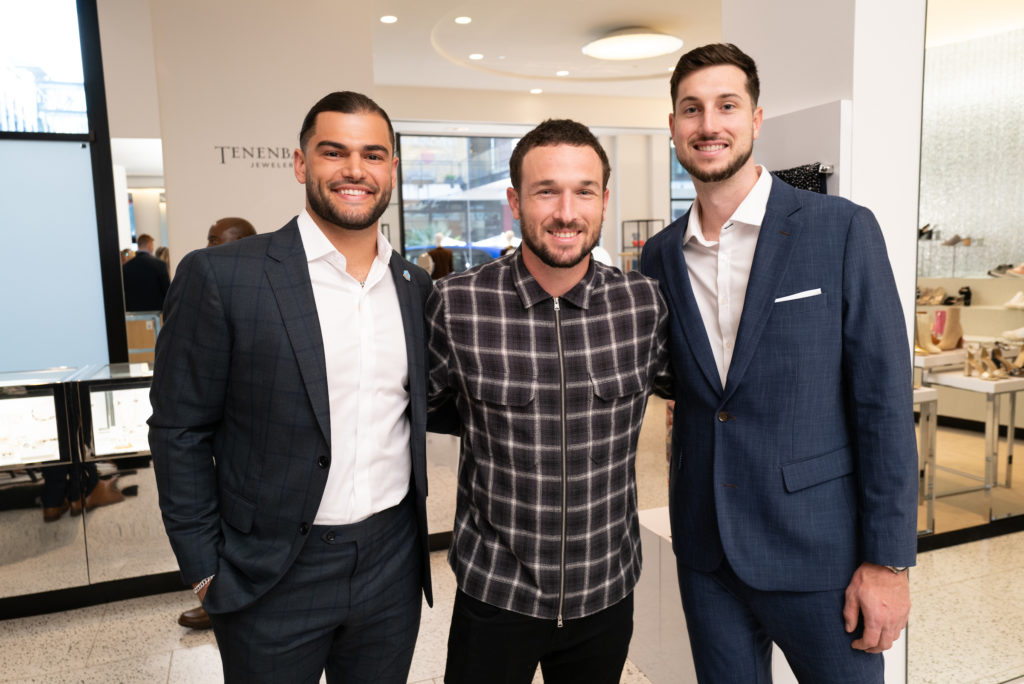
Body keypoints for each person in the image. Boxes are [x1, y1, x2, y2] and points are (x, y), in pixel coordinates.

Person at [639, 43, 917, 683]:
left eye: (726, 105)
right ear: (674, 127)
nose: (709, 124)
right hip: (707, 554)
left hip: (823, 554)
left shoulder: (840, 228)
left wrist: (889, 563)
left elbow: (882, 404)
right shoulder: (658, 258)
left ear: (756, 119)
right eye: (691, 109)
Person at [149, 91, 434, 683]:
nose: (355, 170)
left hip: (391, 566)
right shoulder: (224, 277)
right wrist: (205, 570)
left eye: (373, 155)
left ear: (392, 171)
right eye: (335, 152)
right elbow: (179, 429)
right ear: (302, 164)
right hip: (272, 572)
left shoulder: (413, 286)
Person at [427, 119, 670, 684]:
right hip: (496, 591)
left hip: (605, 589)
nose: (566, 212)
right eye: (546, 191)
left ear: (605, 200)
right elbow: (431, 408)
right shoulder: (457, 303)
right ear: (515, 202)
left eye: (584, 191)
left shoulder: (643, 305)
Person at [175, 217, 256, 632]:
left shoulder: (262, 296)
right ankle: (217, 598)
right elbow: (178, 426)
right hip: (221, 462)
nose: (210, 247)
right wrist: (203, 575)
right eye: (208, 239)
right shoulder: (201, 282)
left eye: (219, 241)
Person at [122, 233, 170, 311]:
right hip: (156, 313)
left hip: (134, 313)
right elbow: (167, 291)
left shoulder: (125, 267)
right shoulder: (160, 264)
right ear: (150, 245)